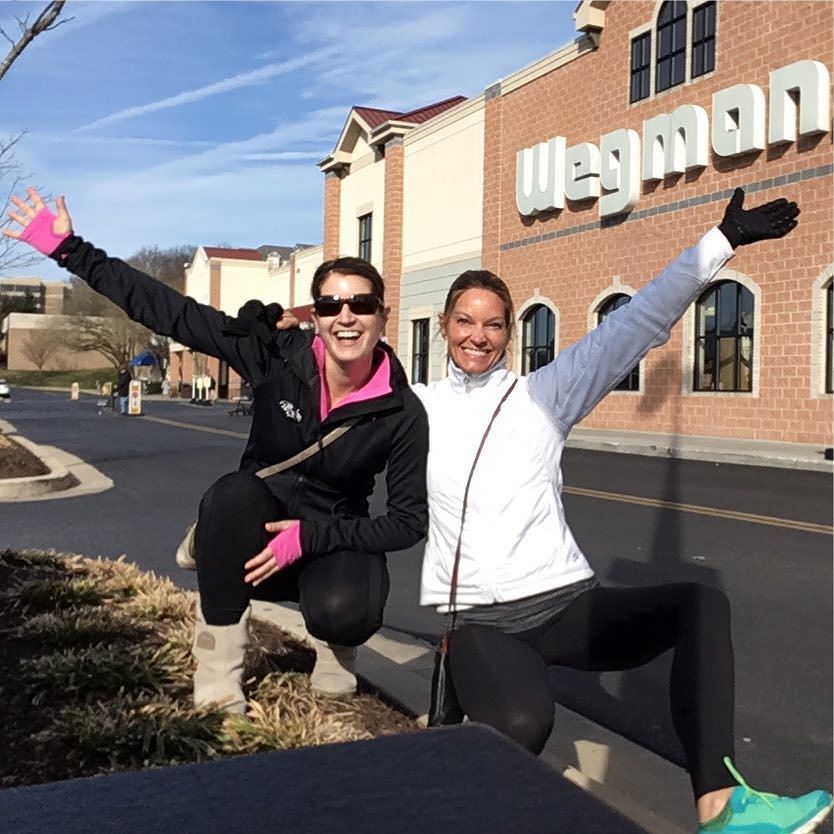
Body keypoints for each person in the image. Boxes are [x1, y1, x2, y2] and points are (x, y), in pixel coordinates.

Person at [411, 189, 832, 834]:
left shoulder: (543, 395)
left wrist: (720, 243)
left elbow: (636, 322)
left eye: (494, 323)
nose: (479, 335)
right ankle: (454, 757)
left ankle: (722, 811)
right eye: (466, 321)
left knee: (700, 605)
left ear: (510, 332)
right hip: (479, 623)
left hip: (563, 607)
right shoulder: (418, 409)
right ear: (445, 326)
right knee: (523, 723)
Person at [5, 187, 429, 714]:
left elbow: (409, 522)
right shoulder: (275, 354)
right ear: (315, 316)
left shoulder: (401, 410)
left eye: (360, 304)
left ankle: (336, 652)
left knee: (350, 606)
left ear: (382, 315)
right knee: (231, 495)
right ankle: (218, 669)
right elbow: (171, 313)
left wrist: (313, 535)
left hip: (327, 536)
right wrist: (70, 249)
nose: (346, 316)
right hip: (259, 513)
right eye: (331, 304)